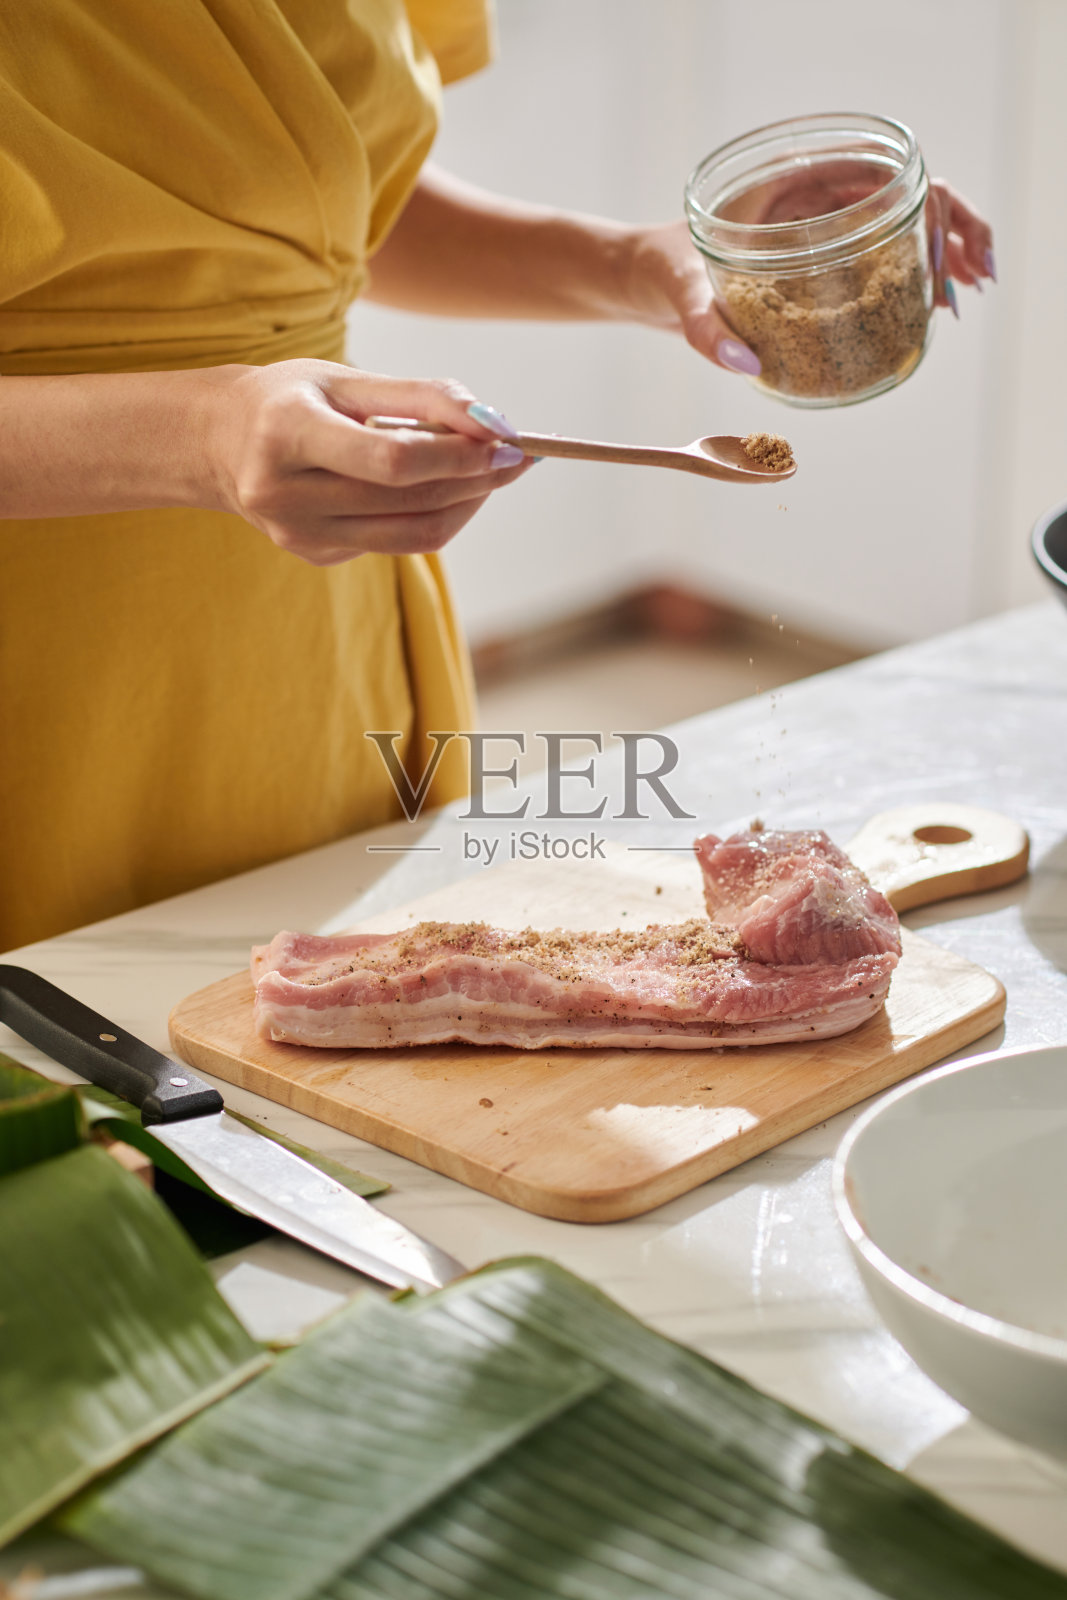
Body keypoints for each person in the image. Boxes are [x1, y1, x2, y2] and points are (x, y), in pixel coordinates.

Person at [0, 1, 994, 952]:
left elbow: (312, 202)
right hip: (43, 659)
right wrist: (199, 433)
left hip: (310, 627)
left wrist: (645, 267)